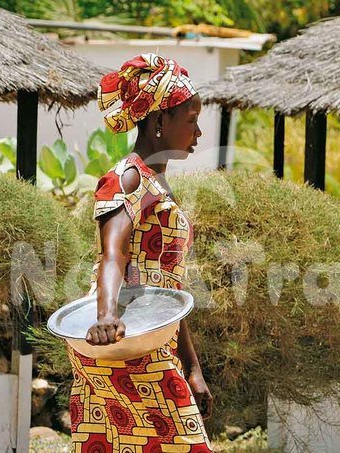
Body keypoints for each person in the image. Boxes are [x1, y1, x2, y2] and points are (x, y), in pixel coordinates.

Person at [67, 53, 213, 452]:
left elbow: (169, 289)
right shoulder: (128, 178)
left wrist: (193, 367)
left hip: (152, 331)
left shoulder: (157, 183)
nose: (199, 132)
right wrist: (106, 317)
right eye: (192, 120)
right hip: (123, 336)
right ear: (161, 120)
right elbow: (112, 254)